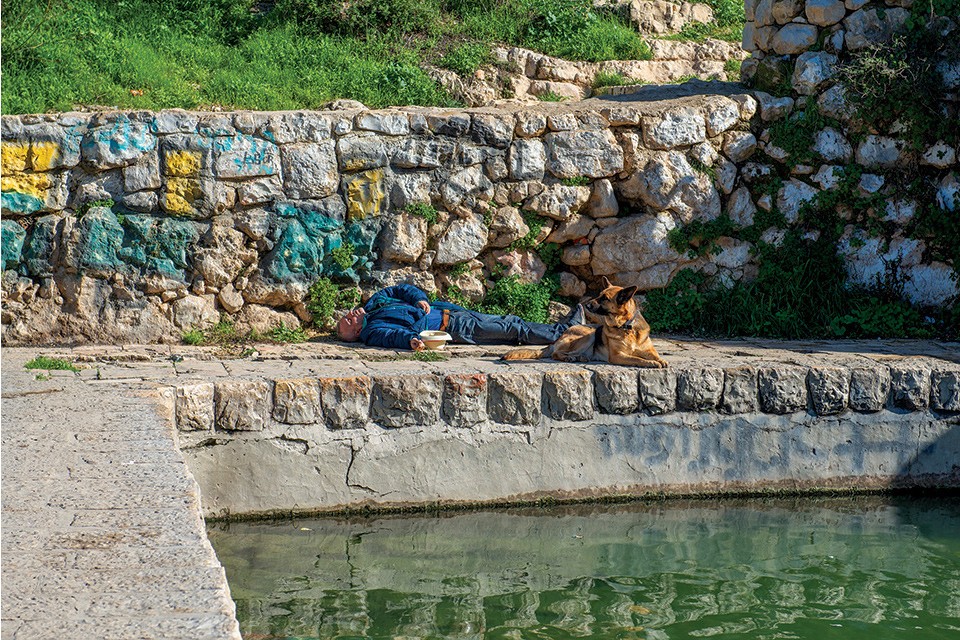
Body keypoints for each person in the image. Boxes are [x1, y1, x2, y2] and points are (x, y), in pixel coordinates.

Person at [337, 284, 584, 351]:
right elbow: (392, 337)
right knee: (512, 329)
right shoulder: (373, 331)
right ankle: (567, 332)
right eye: (349, 321)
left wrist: (418, 297)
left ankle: (563, 332)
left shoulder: (374, 304)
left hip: (450, 310)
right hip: (453, 327)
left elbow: (399, 289)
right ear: (358, 332)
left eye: (347, 315)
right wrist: (410, 340)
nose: (351, 314)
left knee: (509, 323)